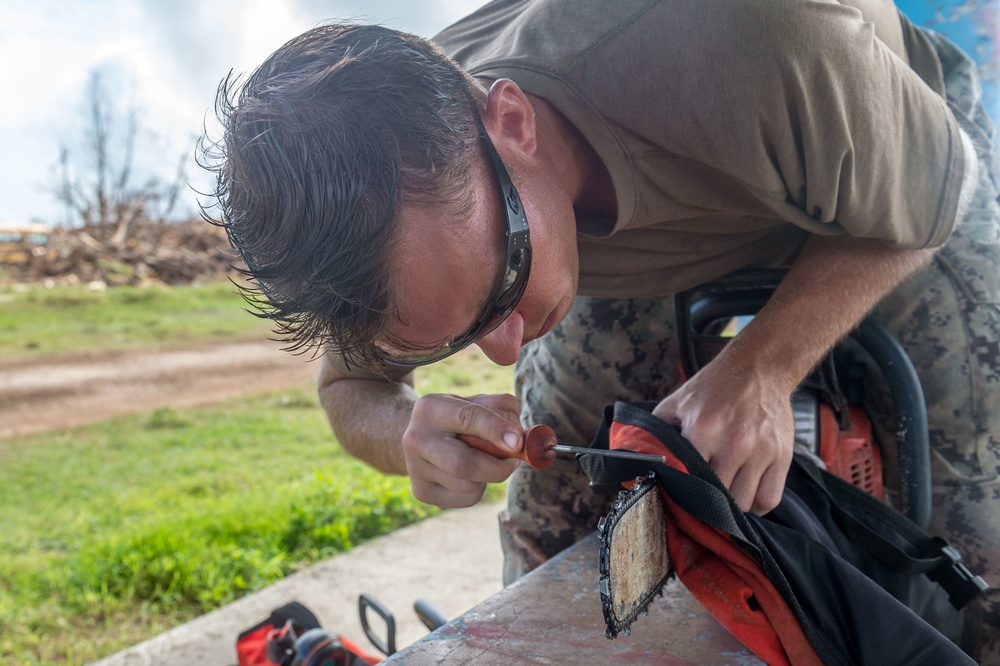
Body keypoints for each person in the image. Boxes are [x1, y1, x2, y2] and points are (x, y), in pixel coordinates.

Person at [202, 0, 1000, 658]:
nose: (508, 349)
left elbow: (938, 192)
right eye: (453, 337)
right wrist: (406, 428)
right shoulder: (386, 204)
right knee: (559, 512)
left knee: (977, 492)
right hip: (622, 220)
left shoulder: (756, 39)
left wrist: (763, 367)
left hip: (894, 162)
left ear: (511, 120)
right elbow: (349, 385)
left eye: (502, 288)